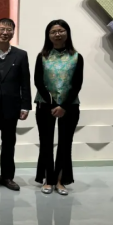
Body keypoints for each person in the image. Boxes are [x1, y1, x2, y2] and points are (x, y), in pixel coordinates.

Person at [0, 18, 32, 191]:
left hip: (12, 107)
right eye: (1, 29)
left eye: (9, 30)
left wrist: (25, 106)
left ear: (13, 33)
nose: (5, 32)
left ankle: (7, 177)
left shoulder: (21, 55)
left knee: (9, 144)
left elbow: (25, 82)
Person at [34, 19, 83, 196]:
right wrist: (51, 103)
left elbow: (77, 83)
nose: (57, 34)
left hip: (69, 106)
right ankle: (48, 179)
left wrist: (63, 106)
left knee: (65, 143)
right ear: (48, 35)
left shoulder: (76, 57)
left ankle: (61, 180)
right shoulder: (42, 56)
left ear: (67, 33)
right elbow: (38, 81)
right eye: (53, 32)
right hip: (45, 104)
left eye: (61, 31)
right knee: (46, 143)